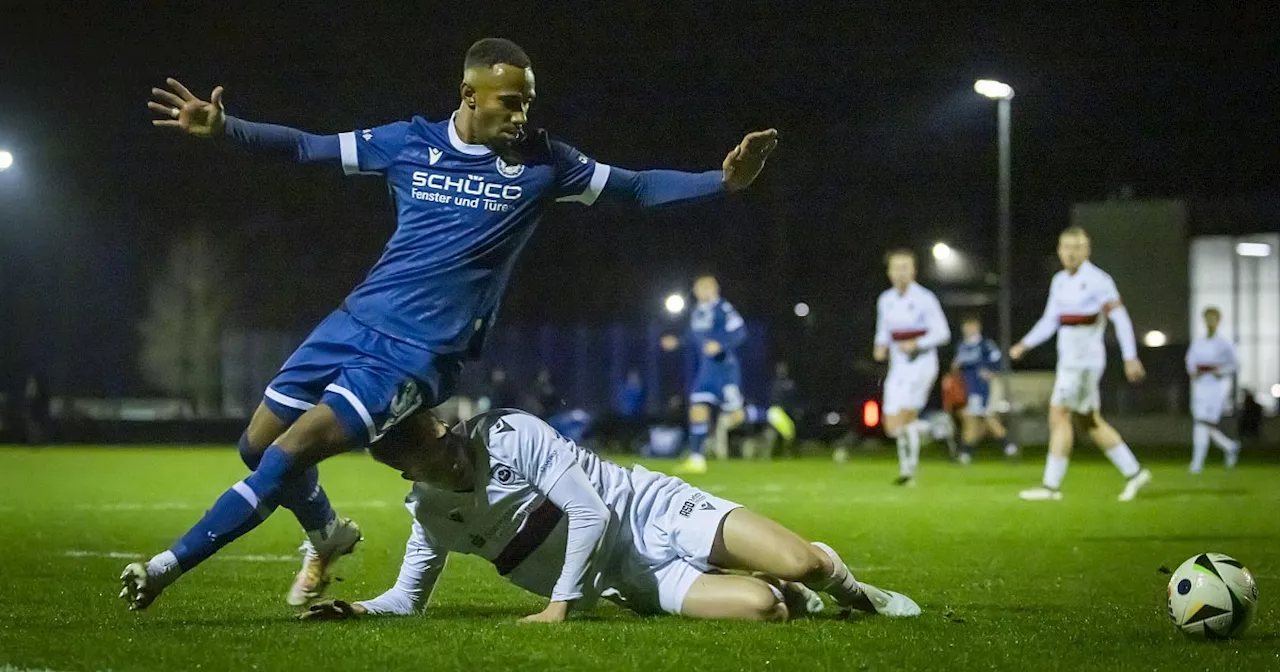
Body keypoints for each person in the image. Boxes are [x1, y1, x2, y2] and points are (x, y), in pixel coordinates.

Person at [122, 38, 778, 611]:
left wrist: (719, 181)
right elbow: (306, 147)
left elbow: (635, 187)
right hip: (352, 321)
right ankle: (326, 534)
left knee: (288, 456)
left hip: (414, 354)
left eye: (527, 104)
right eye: (509, 103)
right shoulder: (410, 142)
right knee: (257, 447)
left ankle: (162, 568)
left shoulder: (547, 164)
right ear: (468, 93)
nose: (522, 117)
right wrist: (225, 127)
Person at [299, 408, 920, 623]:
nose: (456, 454)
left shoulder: (511, 432)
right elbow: (408, 599)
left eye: (450, 437)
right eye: (437, 456)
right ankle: (776, 586)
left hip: (649, 510)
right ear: (411, 472)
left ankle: (858, 592)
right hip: (630, 577)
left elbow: (590, 513)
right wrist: (354, 608)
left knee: (802, 562)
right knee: (766, 609)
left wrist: (560, 605)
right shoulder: (430, 513)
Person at [1009, 226, 1151, 502]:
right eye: (1066, 247)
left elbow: (1120, 318)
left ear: (1087, 251)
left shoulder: (1099, 280)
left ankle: (1050, 487)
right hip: (1070, 362)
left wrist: (1130, 356)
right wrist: (1025, 344)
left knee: (1058, 415)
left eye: (1077, 247)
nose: (1071, 253)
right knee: (1088, 421)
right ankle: (1134, 472)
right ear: (1059, 250)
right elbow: (1050, 320)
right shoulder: (1060, 281)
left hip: (1083, 363)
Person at [873, 249, 951, 486]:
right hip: (898, 369)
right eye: (896, 268)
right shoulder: (885, 300)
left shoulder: (925, 299)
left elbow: (942, 333)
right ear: (889, 272)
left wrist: (917, 343)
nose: (900, 273)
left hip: (922, 365)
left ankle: (908, 472)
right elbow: (883, 329)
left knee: (906, 419)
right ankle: (936, 427)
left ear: (913, 270)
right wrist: (880, 346)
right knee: (891, 426)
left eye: (905, 267)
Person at [661, 275, 747, 473]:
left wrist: (721, 344)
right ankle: (697, 459)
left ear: (714, 289)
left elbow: (740, 332)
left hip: (725, 369)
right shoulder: (697, 312)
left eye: (704, 288)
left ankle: (767, 414)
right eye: (697, 288)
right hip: (707, 371)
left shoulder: (723, 309)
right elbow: (694, 338)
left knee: (736, 416)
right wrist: (678, 342)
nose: (699, 292)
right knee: (697, 408)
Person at [950, 316, 1018, 464]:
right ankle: (1007, 446)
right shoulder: (962, 346)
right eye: (967, 326)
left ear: (978, 327)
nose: (969, 329)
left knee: (978, 418)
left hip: (983, 388)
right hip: (968, 388)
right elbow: (957, 366)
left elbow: (998, 360)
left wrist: (991, 371)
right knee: (980, 418)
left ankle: (967, 453)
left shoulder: (985, 345)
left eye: (972, 326)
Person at [1185, 307, 1240, 473]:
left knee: (1204, 423)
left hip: (1217, 387)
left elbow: (1234, 364)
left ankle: (1197, 463)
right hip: (1201, 385)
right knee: (1201, 422)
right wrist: (1193, 371)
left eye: (1212, 319)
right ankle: (1229, 446)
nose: (1209, 322)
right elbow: (1190, 360)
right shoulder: (1198, 342)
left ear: (1218, 321)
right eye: (1207, 319)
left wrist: (1220, 371)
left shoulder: (1224, 343)